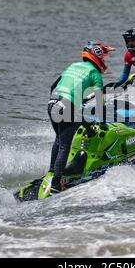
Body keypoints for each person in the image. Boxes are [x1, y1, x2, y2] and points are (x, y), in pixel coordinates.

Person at [48, 42, 114, 192]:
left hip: (52, 102)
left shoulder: (73, 66)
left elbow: (53, 86)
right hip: (67, 106)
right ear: (97, 56)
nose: (105, 59)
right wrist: (102, 122)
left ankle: (51, 173)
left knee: (59, 139)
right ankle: (56, 184)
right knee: (65, 145)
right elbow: (99, 100)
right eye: (104, 56)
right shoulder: (94, 73)